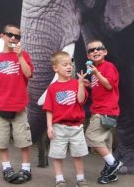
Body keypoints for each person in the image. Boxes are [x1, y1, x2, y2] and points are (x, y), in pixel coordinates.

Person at [0, 24, 34, 184]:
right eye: (10, 34)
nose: (13, 38)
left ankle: (26, 168)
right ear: (2, 36)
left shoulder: (24, 55)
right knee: (1, 139)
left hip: (19, 106)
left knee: (23, 139)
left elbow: (29, 74)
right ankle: (6, 167)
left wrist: (20, 57)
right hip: (0, 105)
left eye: (17, 36)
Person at [43, 51, 90, 187]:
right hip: (58, 127)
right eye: (65, 65)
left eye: (70, 64)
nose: (69, 67)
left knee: (78, 154)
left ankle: (80, 179)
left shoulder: (76, 83)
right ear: (55, 68)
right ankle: (59, 179)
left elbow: (81, 100)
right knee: (57, 155)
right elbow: (49, 109)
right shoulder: (52, 88)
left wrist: (80, 84)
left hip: (76, 127)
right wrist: (50, 127)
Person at [84, 39, 121, 184]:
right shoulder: (95, 71)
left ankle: (113, 163)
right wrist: (90, 85)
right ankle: (111, 174)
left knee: (91, 136)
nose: (95, 51)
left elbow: (109, 86)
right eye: (91, 50)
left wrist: (96, 74)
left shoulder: (108, 66)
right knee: (105, 141)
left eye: (98, 48)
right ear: (88, 56)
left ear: (105, 52)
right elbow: (101, 88)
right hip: (102, 110)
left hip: (104, 111)